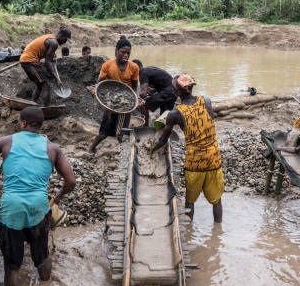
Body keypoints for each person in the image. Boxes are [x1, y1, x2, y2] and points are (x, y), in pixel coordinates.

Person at [0, 107, 76, 286]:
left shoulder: (6, 142)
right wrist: (57, 197)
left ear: (23, 123)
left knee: (12, 267)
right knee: (42, 256)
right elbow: (71, 182)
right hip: (39, 208)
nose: (17, 124)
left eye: (18, 121)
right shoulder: (52, 148)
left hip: (12, 209)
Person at [151, 74, 224, 223]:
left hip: (195, 163)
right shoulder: (206, 100)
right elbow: (208, 121)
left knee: (190, 201)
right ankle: (218, 230)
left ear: (177, 92)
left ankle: (189, 230)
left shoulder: (175, 114)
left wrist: (152, 149)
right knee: (217, 201)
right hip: (214, 158)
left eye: (173, 88)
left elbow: (163, 140)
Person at [88, 36, 140, 153]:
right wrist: (95, 90)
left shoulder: (134, 67)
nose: (126, 55)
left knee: (122, 131)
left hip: (126, 104)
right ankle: (92, 147)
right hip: (111, 102)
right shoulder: (107, 65)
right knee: (104, 130)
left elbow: (135, 87)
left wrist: (136, 97)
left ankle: (122, 153)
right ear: (116, 51)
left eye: (128, 53)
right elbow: (99, 83)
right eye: (123, 52)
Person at [19, 26, 71, 106]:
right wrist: (56, 78)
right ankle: (47, 108)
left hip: (27, 60)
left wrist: (51, 55)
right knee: (45, 85)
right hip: (30, 61)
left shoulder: (50, 37)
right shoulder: (54, 43)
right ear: (62, 36)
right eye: (66, 39)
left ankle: (32, 104)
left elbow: (45, 54)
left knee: (40, 84)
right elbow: (48, 62)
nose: (65, 42)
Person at [133, 59, 177, 125]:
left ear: (136, 68)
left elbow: (143, 94)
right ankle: (165, 128)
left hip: (167, 92)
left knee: (144, 105)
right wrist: (150, 91)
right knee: (165, 113)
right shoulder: (149, 69)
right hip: (173, 91)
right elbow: (158, 86)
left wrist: (136, 98)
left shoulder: (142, 73)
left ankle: (145, 126)